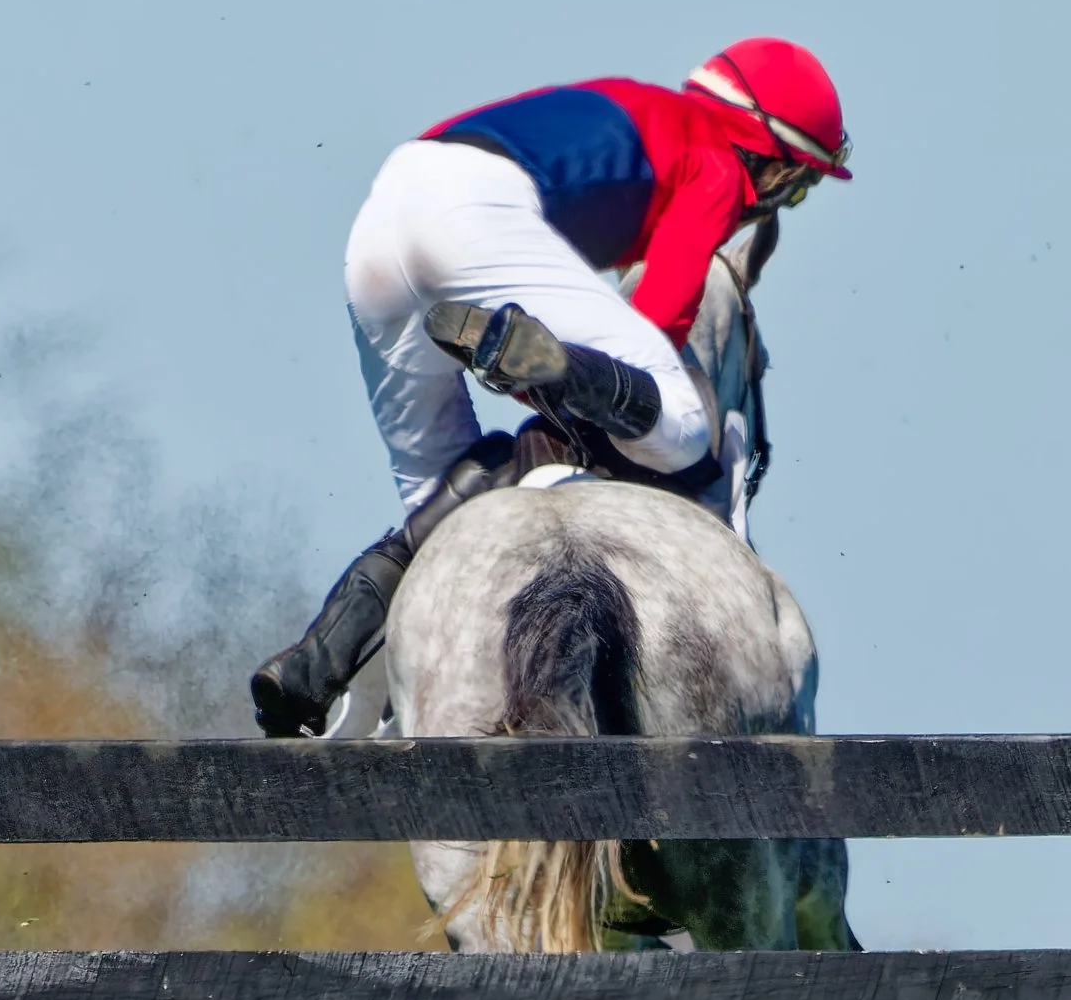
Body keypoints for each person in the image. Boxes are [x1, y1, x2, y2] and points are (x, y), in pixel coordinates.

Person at [251, 37, 852, 738]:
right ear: (762, 151)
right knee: (683, 417)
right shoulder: (716, 164)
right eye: (793, 185)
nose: (777, 204)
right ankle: (553, 365)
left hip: (382, 223)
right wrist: (579, 384)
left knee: (441, 499)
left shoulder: (645, 111)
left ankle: (319, 671)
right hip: (474, 218)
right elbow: (657, 321)